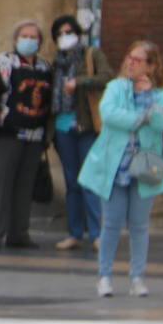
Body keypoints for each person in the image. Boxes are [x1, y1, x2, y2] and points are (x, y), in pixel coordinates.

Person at [79, 41, 163, 297]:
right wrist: (140, 118)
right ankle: (104, 276)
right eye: (130, 57)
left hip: (145, 165)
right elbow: (109, 114)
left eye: (139, 60)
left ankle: (137, 277)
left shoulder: (160, 92)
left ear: (152, 65)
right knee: (110, 223)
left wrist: (147, 101)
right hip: (115, 164)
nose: (131, 63)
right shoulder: (115, 87)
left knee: (139, 225)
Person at [0, 19, 54, 249]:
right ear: (16, 39)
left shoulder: (44, 68)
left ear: (40, 42)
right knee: (1, 184)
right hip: (8, 132)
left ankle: (19, 232)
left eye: (33, 37)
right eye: (25, 36)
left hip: (34, 135)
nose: (29, 40)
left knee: (24, 185)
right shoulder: (5, 62)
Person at [50, 15, 110, 251]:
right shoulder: (55, 62)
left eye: (69, 32)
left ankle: (97, 233)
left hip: (86, 125)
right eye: (60, 34)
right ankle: (74, 233)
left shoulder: (91, 55)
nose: (65, 37)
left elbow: (107, 76)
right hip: (63, 126)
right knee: (71, 181)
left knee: (90, 180)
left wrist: (79, 82)